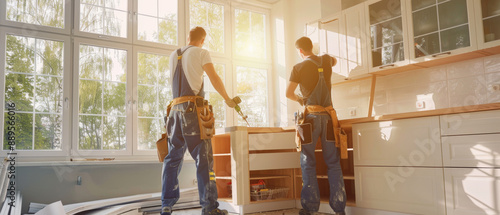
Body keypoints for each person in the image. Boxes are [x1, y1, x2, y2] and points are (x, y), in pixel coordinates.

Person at [161, 26, 236, 215]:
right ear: (202, 40)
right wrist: (227, 99)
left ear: (188, 38)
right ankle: (209, 208)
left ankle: (166, 205)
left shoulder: (173, 55)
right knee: (204, 160)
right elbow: (214, 77)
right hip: (192, 112)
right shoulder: (202, 52)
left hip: (173, 113)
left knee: (172, 160)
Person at [286, 36, 346, 215]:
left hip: (310, 119)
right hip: (328, 118)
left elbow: (288, 93)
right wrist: (324, 58)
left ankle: (310, 209)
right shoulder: (326, 60)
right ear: (311, 47)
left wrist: (301, 100)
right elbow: (334, 60)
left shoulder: (298, 67)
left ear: (300, 51)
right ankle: (340, 209)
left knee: (307, 162)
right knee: (333, 163)